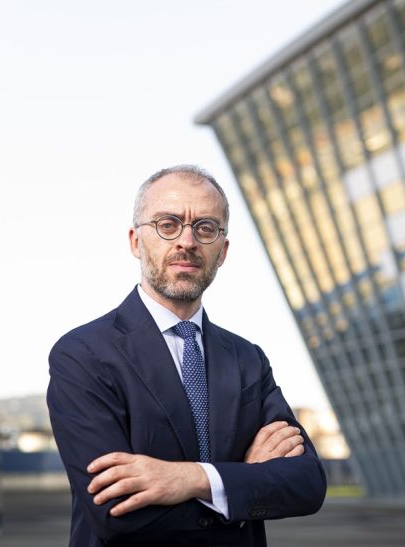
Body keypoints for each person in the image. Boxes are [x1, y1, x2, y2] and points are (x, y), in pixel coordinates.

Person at [47, 165, 326, 546]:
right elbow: (114, 510)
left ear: (222, 251)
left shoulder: (248, 360)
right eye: (168, 224)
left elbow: (308, 483)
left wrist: (191, 478)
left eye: (206, 228)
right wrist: (239, 485)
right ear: (135, 242)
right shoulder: (82, 354)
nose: (187, 241)